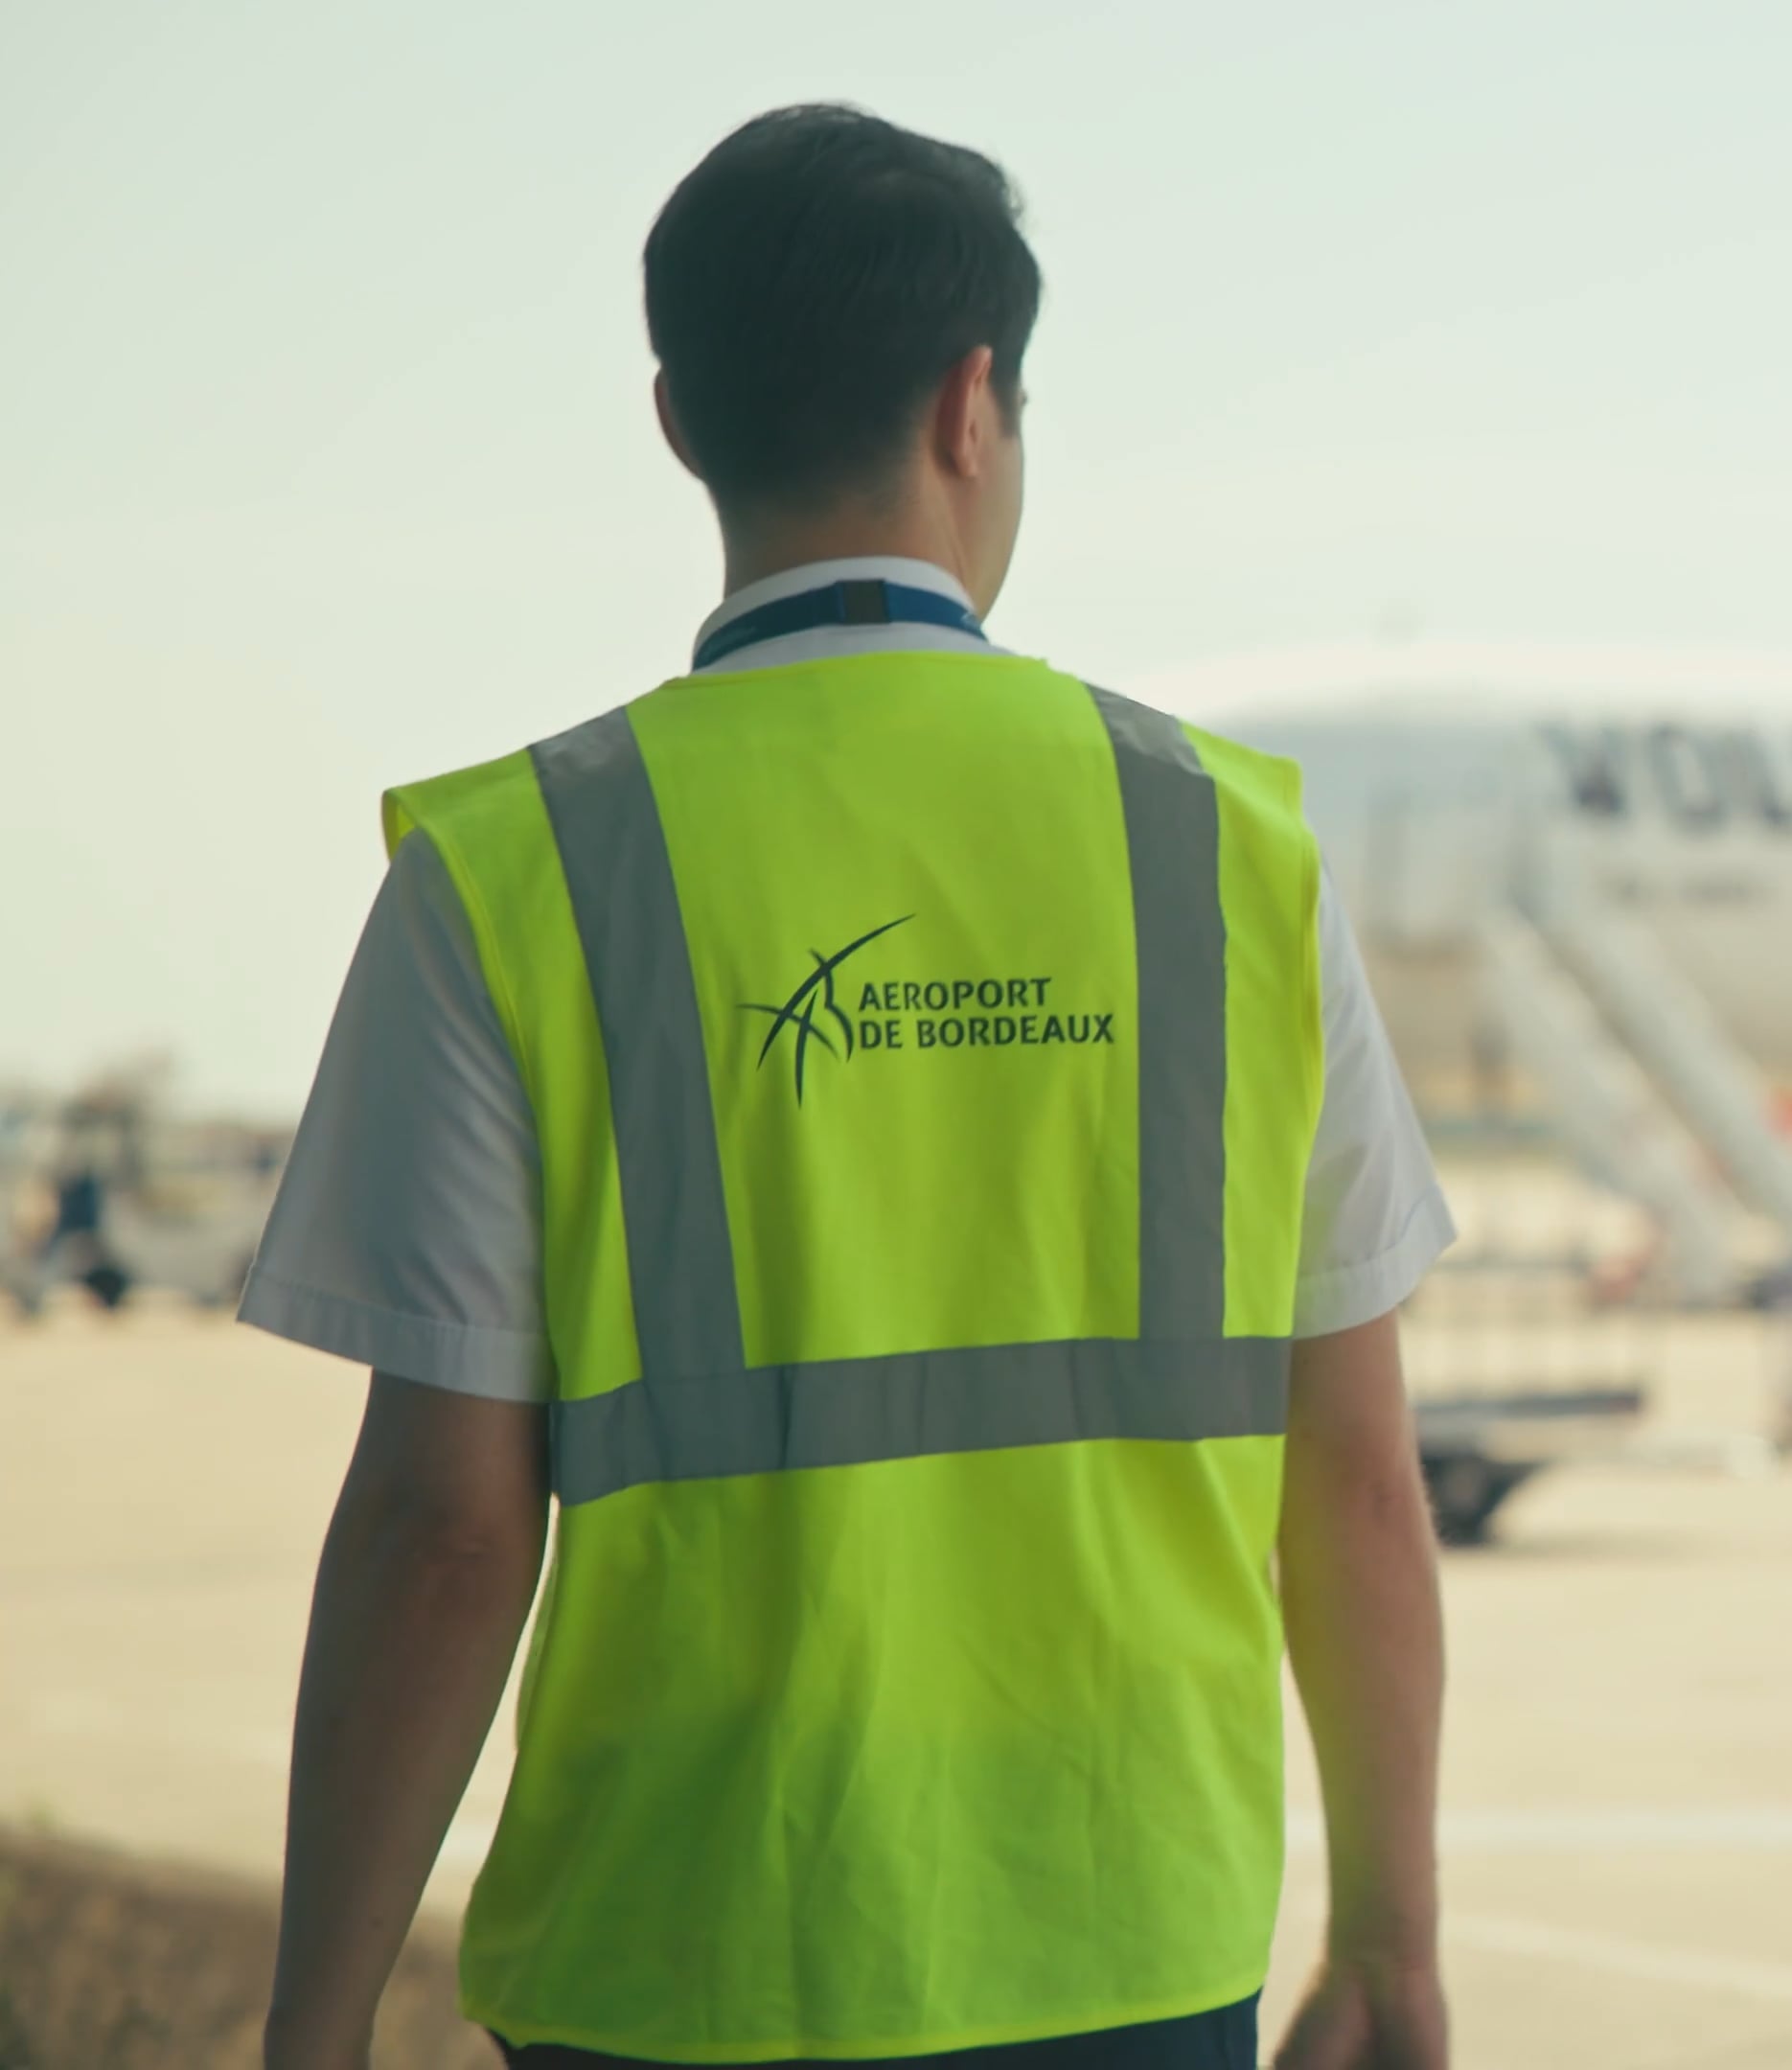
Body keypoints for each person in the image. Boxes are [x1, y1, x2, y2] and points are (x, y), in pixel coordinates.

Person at [242, 105, 1456, 2069]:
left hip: (675, 1960)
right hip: (1128, 1946)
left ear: (677, 419)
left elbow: (444, 1535)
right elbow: (1361, 1480)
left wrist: (311, 2025)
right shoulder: (1230, 853)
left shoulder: (517, 869)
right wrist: (1391, 1941)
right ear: (976, 406)